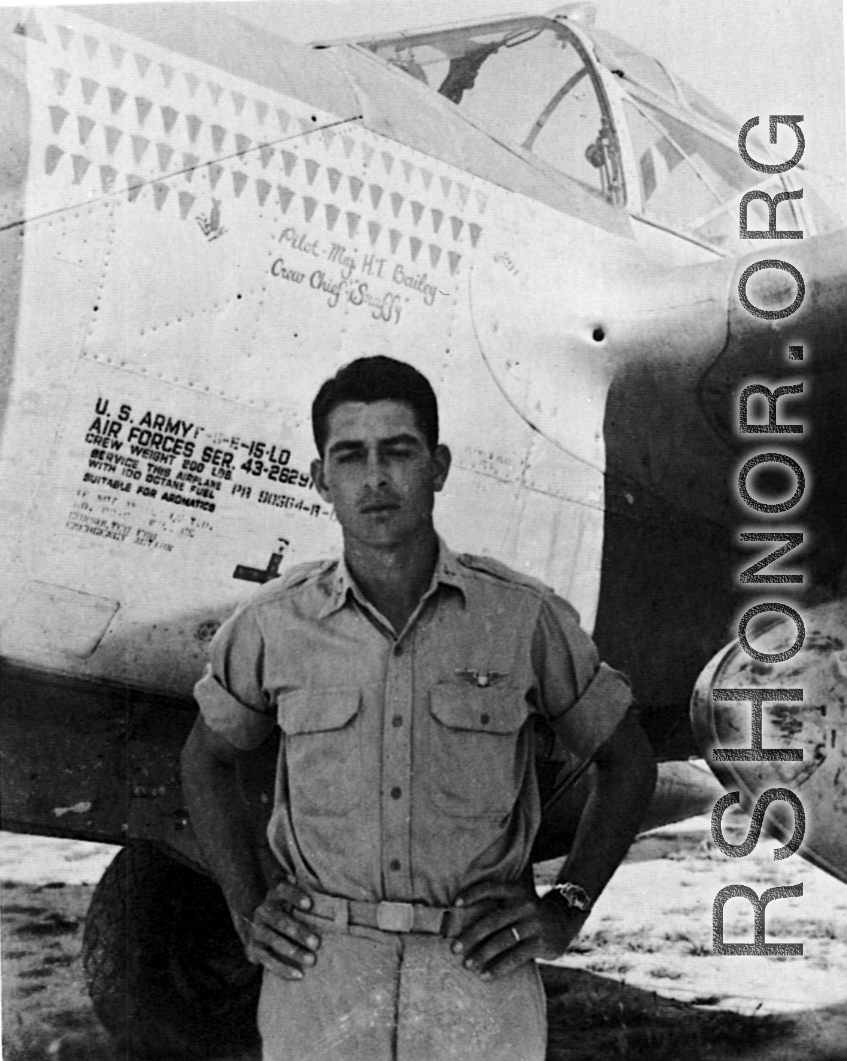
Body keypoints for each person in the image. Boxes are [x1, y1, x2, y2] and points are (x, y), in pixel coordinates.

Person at [181, 356, 656, 1061]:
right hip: (321, 976)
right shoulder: (273, 624)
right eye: (350, 455)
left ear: (437, 466)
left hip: (477, 973)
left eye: (398, 451)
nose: (374, 477)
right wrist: (246, 904)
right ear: (321, 480)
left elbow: (626, 760)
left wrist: (566, 906)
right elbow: (206, 757)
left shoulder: (519, 617)